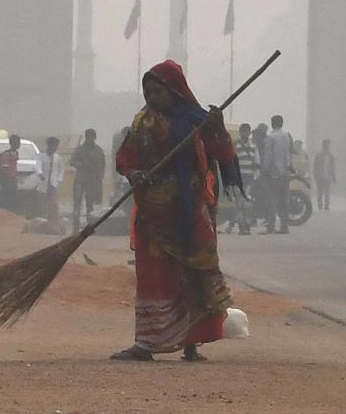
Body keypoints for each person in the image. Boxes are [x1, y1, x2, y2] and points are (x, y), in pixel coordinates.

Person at [111, 60, 240, 363]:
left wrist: (218, 129)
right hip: (153, 217)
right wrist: (134, 175)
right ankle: (146, 343)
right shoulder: (143, 122)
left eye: (158, 91)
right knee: (154, 277)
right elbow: (125, 159)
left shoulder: (198, 122)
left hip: (190, 213)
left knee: (193, 276)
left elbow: (223, 154)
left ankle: (191, 344)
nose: (153, 98)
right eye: (149, 92)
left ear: (175, 91)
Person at [261, 115, 294, 234]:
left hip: (274, 173)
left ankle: (271, 226)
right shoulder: (286, 136)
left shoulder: (271, 137)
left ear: (272, 123)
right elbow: (288, 153)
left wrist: (264, 170)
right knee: (284, 201)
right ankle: (284, 226)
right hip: (285, 172)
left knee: (272, 200)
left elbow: (268, 156)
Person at [69, 128, 106, 232]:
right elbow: (72, 162)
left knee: (90, 205)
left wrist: (99, 178)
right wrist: (82, 165)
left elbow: (102, 165)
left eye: (92, 136)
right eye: (89, 136)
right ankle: (75, 228)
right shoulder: (79, 149)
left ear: (95, 137)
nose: (91, 138)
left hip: (92, 181)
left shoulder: (99, 150)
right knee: (77, 204)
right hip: (80, 180)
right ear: (86, 136)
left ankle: (89, 228)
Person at [226, 123, 258, 235]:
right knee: (240, 203)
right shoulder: (235, 145)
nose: (245, 133)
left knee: (244, 204)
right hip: (238, 179)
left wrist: (255, 177)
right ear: (240, 132)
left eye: (247, 131)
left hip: (249, 179)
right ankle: (243, 226)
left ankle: (241, 225)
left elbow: (257, 163)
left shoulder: (253, 147)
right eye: (243, 131)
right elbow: (231, 161)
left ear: (249, 133)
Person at [36, 136, 65, 229]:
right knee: (43, 204)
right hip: (43, 184)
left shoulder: (58, 158)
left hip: (53, 184)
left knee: (54, 205)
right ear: (49, 145)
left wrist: (58, 179)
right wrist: (40, 173)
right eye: (52, 145)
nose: (54, 148)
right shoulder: (41, 156)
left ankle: (53, 223)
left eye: (56, 146)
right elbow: (37, 166)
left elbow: (61, 170)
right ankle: (42, 223)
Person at [0, 134, 21, 212]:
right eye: (17, 143)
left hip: (12, 178)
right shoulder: (6, 154)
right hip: (7, 179)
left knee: (13, 198)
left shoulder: (15, 153)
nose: (19, 144)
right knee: (7, 198)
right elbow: (4, 167)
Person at [313, 139, 336, 211]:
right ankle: (320, 205)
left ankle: (326, 205)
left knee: (326, 192)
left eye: (328, 144)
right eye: (326, 144)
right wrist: (315, 176)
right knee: (320, 192)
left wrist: (333, 177)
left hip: (327, 177)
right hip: (320, 177)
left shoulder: (330, 155)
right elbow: (315, 166)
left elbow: (333, 167)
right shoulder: (319, 155)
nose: (327, 146)